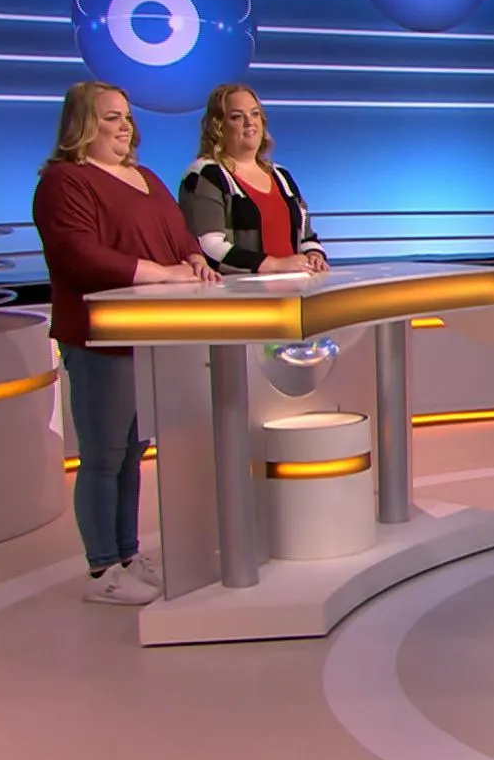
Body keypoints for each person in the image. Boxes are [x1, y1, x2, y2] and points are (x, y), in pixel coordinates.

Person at [32, 81, 218, 605]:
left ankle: (128, 555)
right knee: (103, 455)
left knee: (132, 452)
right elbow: (78, 254)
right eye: (111, 117)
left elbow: (178, 235)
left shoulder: (146, 177)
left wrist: (193, 259)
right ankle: (103, 569)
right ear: (82, 125)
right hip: (99, 336)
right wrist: (160, 273)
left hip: (147, 335)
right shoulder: (64, 181)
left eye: (127, 117)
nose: (124, 126)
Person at [179, 84, 328, 276]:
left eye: (255, 114)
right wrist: (274, 265)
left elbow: (306, 236)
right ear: (218, 126)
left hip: (294, 287)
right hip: (239, 291)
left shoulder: (281, 176)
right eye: (237, 117)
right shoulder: (205, 174)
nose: (249, 122)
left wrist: (314, 254)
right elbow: (208, 246)